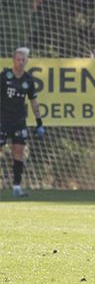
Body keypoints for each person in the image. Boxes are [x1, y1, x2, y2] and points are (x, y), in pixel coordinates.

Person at [1, 47, 45, 198]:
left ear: (27, 61)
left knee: (18, 151)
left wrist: (39, 122)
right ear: (14, 60)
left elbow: (34, 101)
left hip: (19, 120)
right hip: (2, 119)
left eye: (23, 60)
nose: (20, 62)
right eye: (18, 59)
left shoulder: (28, 80)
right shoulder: (4, 76)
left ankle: (17, 187)